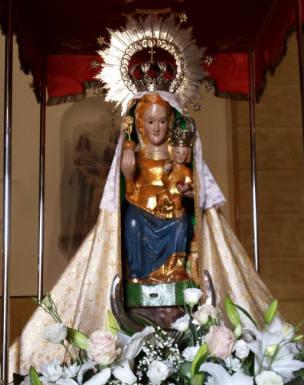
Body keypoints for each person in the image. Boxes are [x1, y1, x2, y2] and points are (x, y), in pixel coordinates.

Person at [10, 16, 278, 374]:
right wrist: (125, 166)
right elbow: (124, 187)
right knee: (132, 223)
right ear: (139, 123)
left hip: (172, 213)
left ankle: (173, 272)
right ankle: (141, 278)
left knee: (184, 221)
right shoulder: (133, 152)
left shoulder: (177, 152)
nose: (156, 128)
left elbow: (190, 187)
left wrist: (184, 187)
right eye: (149, 122)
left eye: (162, 122)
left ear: (172, 123)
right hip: (140, 212)